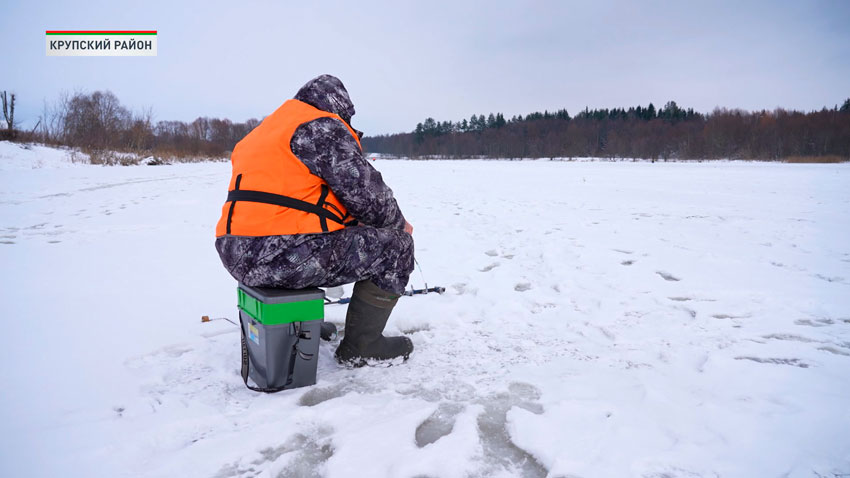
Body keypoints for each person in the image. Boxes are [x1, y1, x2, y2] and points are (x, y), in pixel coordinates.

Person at [215, 74, 414, 365]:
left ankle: (302, 324)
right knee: (398, 247)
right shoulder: (321, 127)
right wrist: (398, 225)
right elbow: (369, 196)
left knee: (319, 242)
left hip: (234, 251)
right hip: (280, 255)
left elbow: (290, 202)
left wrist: (349, 222)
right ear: (339, 106)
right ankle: (363, 346)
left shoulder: (265, 131)